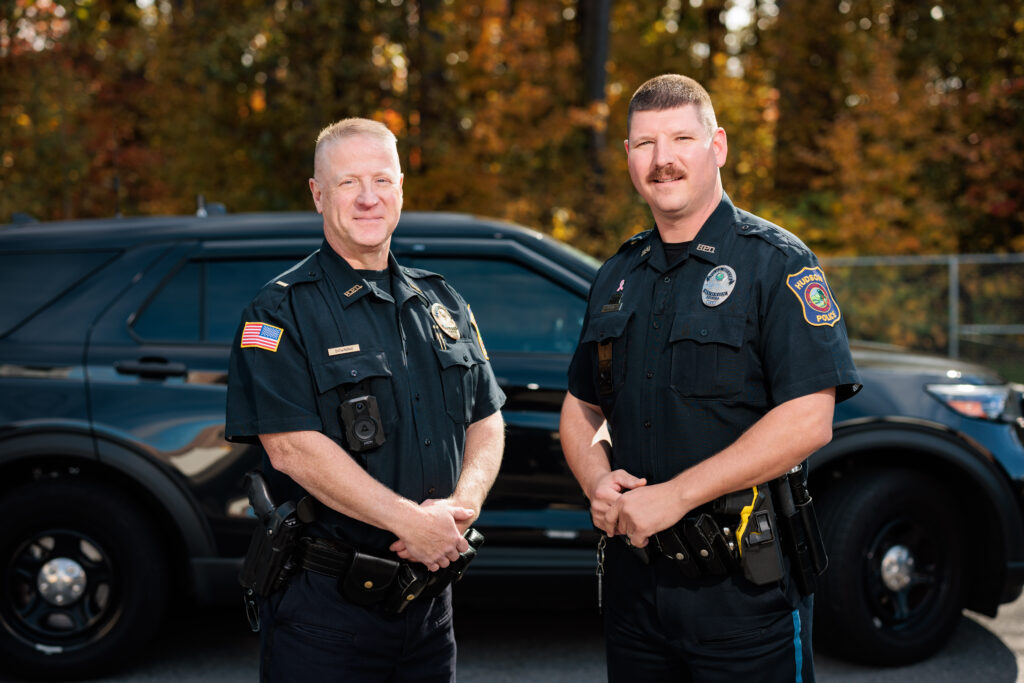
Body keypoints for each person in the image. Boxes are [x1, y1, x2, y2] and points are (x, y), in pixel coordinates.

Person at [559, 74, 861, 682]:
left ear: (717, 145)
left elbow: (809, 418)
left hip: (745, 594)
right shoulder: (617, 274)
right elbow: (581, 406)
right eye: (644, 144)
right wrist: (597, 481)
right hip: (636, 591)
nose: (662, 159)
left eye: (681, 138)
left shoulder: (774, 262)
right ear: (627, 156)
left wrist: (673, 498)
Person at [226, 118, 505, 682]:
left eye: (382, 179)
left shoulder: (441, 301)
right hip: (325, 617)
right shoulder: (279, 310)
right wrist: (411, 522)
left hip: (430, 608)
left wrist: (459, 511)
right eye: (350, 182)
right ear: (318, 193)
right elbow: (291, 451)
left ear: (402, 187)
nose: (369, 197)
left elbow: (487, 417)